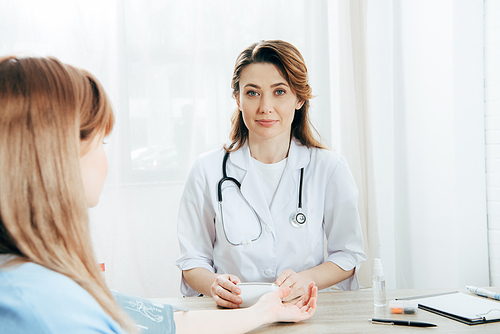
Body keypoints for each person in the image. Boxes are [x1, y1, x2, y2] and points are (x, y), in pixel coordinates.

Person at [0, 55, 317, 334]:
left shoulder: (40, 279)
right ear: (55, 156)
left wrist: (266, 311)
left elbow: (163, 323)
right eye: (100, 143)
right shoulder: (40, 306)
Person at [175, 40, 366, 308]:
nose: (265, 107)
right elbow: (193, 261)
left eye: (279, 92)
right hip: (234, 315)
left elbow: (347, 255)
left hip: (302, 312)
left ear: (299, 98)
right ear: (237, 99)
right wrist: (213, 284)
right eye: (253, 93)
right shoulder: (206, 170)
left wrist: (306, 278)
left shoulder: (329, 168)